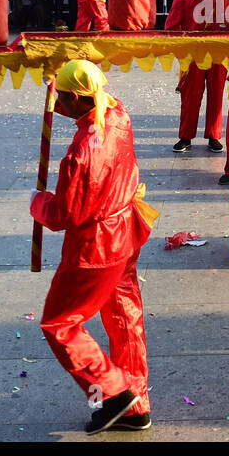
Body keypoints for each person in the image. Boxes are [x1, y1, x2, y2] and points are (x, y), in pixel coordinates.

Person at [31, 61, 158, 434]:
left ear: (74, 97)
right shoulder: (117, 113)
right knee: (124, 318)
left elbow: (64, 214)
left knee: (60, 323)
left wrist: (38, 201)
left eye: (60, 99)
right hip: (126, 230)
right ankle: (137, 404)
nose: (55, 106)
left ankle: (115, 393)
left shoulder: (82, 153)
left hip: (96, 248)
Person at [165, 0, 225, 154]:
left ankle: (214, 136)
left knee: (216, 95)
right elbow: (171, 28)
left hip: (217, 51)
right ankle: (185, 136)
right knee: (190, 97)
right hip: (193, 55)